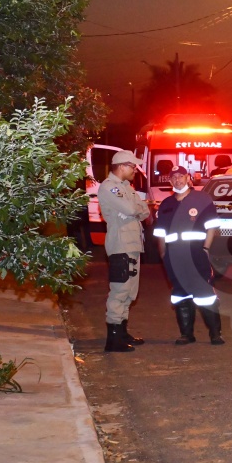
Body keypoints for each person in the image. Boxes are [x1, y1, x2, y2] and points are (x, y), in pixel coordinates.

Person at [153, 166, 225, 345]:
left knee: (204, 293)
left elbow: (212, 226)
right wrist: (163, 253)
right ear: (170, 181)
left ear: (188, 177)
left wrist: (206, 249)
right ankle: (186, 334)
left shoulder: (202, 199)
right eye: (174, 177)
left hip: (196, 254)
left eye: (181, 176)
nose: (177, 180)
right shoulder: (166, 204)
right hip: (173, 256)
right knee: (180, 293)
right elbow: (160, 231)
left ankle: (215, 334)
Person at [98, 150, 150, 352]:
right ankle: (113, 340)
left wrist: (136, 209)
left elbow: (144, 211)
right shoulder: (109, 188)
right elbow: (132, 210)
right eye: (132, 166)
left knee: (130, 293)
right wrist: (135, 209)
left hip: (133, 246)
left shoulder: (127, 187)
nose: (135, 170)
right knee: (119, 291)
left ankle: (122, 332)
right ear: (121, 166)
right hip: (120, 246)